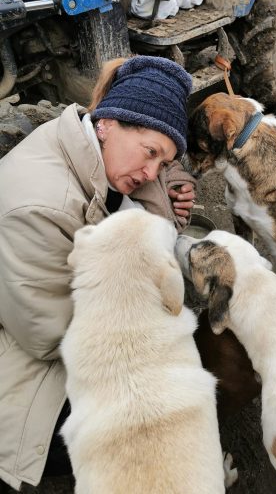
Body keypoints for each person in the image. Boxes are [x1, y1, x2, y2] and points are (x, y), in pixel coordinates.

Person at [0, 55, 196, 490]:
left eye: (161, 164)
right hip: (27, 364)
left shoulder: (87, 145)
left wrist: (165, 181)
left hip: (49, 323)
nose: (150, 173)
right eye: (150, 155)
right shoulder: (39, 207)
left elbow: (151, 164)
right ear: (107, 122)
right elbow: (46, 337)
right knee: (142, 420)